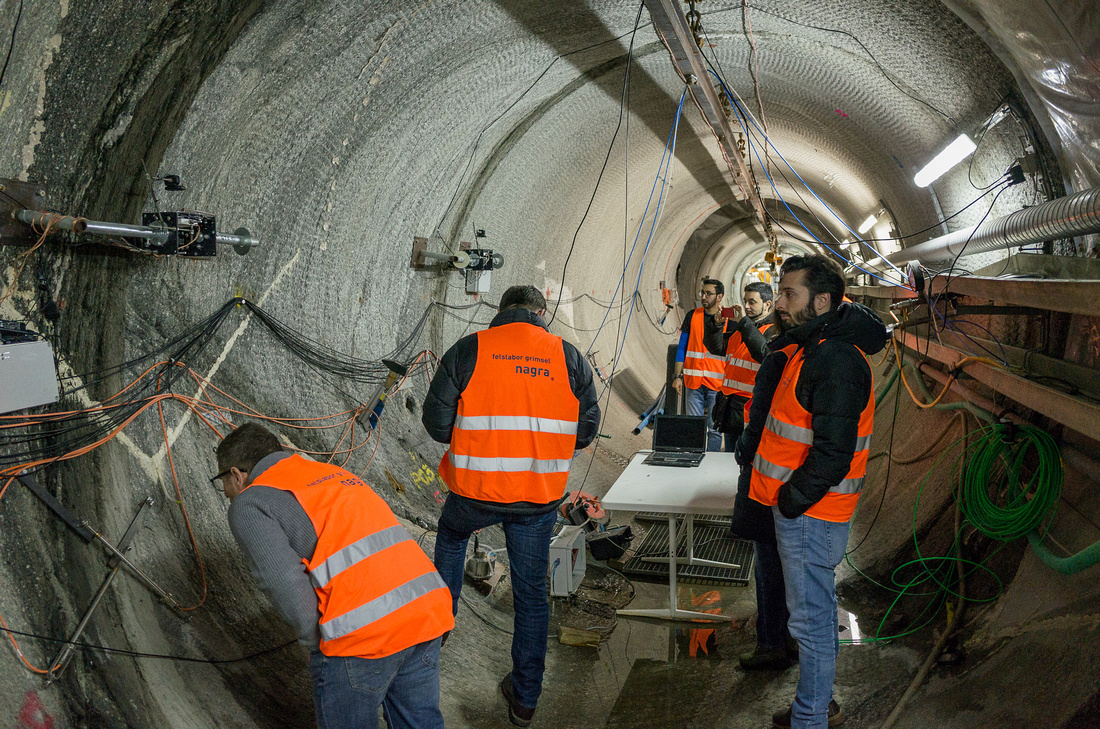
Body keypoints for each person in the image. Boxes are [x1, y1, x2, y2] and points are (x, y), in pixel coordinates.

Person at [422, 284, 600, 727]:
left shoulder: (469, 349)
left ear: (501, 310)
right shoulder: (570, 358)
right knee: (531, 598)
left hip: (473, 493)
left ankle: (439, 628)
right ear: (540, 313)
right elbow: (585, 430)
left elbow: (436, 423)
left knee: (451, 535)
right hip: (537, 501)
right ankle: (524, 700)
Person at [215, 422, 454, 729]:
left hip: (362, 637)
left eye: (223, 483)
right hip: (426, 610)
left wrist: (324, 647)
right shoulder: (332, 473)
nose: (225, 494)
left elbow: (285, 584)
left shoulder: (251, 502)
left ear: (236, 474)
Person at [745, 255, 888, 729]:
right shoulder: (814, 346)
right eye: (779, 293)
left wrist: (790, 501)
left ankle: (811, 719)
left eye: (789, 294)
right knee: (816, 614)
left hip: (812, 514)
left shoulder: (836, 359)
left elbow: (833, 453)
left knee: (809, 622)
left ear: (821, 301)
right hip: (806, 511)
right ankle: (817, 703)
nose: (779, 303)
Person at [707, 281, 776, 452]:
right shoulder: (741, 329)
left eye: (752, 302)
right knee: (730, 458)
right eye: (745, 301)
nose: (746, 306)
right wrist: (716, 326)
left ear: (767, 304)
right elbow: (717, 348)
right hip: (730, 408)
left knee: (747, 458)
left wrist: (744, 323)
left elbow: (762, 352)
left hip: (750, 409)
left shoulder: (773, 330)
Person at [672, 278, 728, 451]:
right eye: (702, 293)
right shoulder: (693, 315)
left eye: (708, 293)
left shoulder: (728, 318)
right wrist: (677, 376)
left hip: (716, 384)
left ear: (719, 296)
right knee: (693, 428)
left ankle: (710, 466)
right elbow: (682, 347)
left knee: (715, 430)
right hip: (693, 382)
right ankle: (693, 459)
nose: (704, 296)